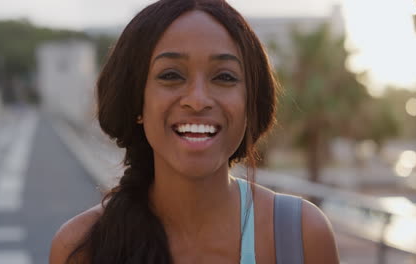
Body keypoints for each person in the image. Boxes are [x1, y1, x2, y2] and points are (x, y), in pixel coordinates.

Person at [49, 0, 339, 263]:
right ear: (136, 101)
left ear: (250, 103)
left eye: (224, 77)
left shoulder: (300, 237)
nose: (198, 100)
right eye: (171, 75)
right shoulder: (81, 248)